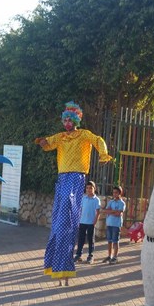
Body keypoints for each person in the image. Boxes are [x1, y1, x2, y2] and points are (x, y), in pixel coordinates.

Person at [35, 101, 112, 286]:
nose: (67, 123)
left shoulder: (84, 134)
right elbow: (48, 143)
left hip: (76, 179)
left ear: (76, 119)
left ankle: (65, 262)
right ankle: (57, 264)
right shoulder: (60, 137)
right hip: (62, 179)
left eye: (71, 119)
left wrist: (103, 154)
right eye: (65, 120)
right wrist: (42, 142)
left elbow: (98, 140)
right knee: (59, 222)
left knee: (67, 219)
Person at [74, 181, 101, 264]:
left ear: (94, 189)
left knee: (90, 240)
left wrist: (94, 221)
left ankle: (90, 255)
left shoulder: (96, 200)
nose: (89, 190)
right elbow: (80, 210)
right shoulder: (83, 198)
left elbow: (98, 212)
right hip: (82, 222)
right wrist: (78, 220)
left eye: (91, 188)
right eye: (87, 188)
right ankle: (78, 255)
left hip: (90, 223)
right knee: (81, 239)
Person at [101, 185, 125, 265]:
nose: (114, 194)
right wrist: (114, 211)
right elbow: (105, 211)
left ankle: (115, 257)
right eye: (113, 193)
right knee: (109, 241)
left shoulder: (122, 203)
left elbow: (119, 213)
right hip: (109, 223)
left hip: (116, 224)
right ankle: (109, 256)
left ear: (120, 193)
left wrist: (111, 211)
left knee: (115, 241)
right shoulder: (111, 202)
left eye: (116, 193)